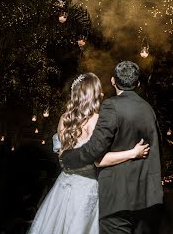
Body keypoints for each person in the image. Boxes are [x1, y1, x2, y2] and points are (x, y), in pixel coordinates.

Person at [28, 72, 149, 234]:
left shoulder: (65, 119)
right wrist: (133, 153)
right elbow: (100, 161)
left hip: (64, 187)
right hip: (86, 189)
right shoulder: (96, 120)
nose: (102, 94)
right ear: (94, 94)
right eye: (99, 91)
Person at [60, 61, 164, 234]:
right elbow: (158, 148)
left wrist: (67, 158)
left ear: (113, 81)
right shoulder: (148, 109)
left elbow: (94, 150)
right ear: (138, 84)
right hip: (145, 197)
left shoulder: (111, 106)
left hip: (117, 198)